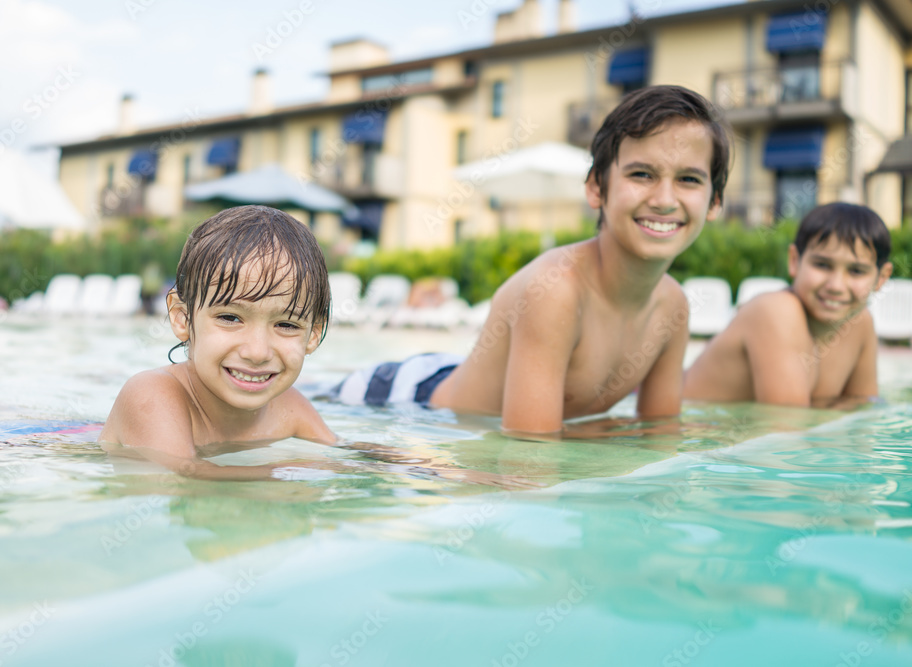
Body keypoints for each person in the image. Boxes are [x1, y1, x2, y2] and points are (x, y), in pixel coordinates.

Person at [335, 85, 731, 438]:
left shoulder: (673, 307)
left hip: (458, 378)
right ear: (596, 187)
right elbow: (529, 458)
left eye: (689, 179)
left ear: (714, 202)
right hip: (403, 402)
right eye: (642, 174)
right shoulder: (558, 289)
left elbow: (659, 436)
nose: (664, 199)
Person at [100, 205, 531, 487]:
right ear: (180, 317)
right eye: (230, 318)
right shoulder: (152, 397)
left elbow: (347, 452)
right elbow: (185, 476)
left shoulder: (289, 408)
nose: (256, 350)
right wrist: (293, 472)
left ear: (312, 334)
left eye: (286, 324)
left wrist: (448, 472)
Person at [684, 202, 893, 407]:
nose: (836, 286)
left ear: (881, 278)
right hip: (687, 426)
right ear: (794, 261)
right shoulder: (776, 311)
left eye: (856, 271)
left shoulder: (860, 322)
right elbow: (786, 429)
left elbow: (863, 410)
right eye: (822, 265)